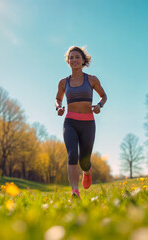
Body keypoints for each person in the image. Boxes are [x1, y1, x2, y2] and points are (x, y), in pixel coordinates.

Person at [55, 46, 107, 199]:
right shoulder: (63, 82)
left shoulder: (91, 79)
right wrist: (58, 107)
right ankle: (74, 192)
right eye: (71, 57)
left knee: (84, 160)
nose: (74, 60)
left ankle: (86, 171)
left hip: (88, 123)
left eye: (77, 57)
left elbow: (103, 96)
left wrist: (99, 106)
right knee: (72, 155)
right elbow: (58, 98)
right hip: (70, 122)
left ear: (83, 60)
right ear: (68, 61)